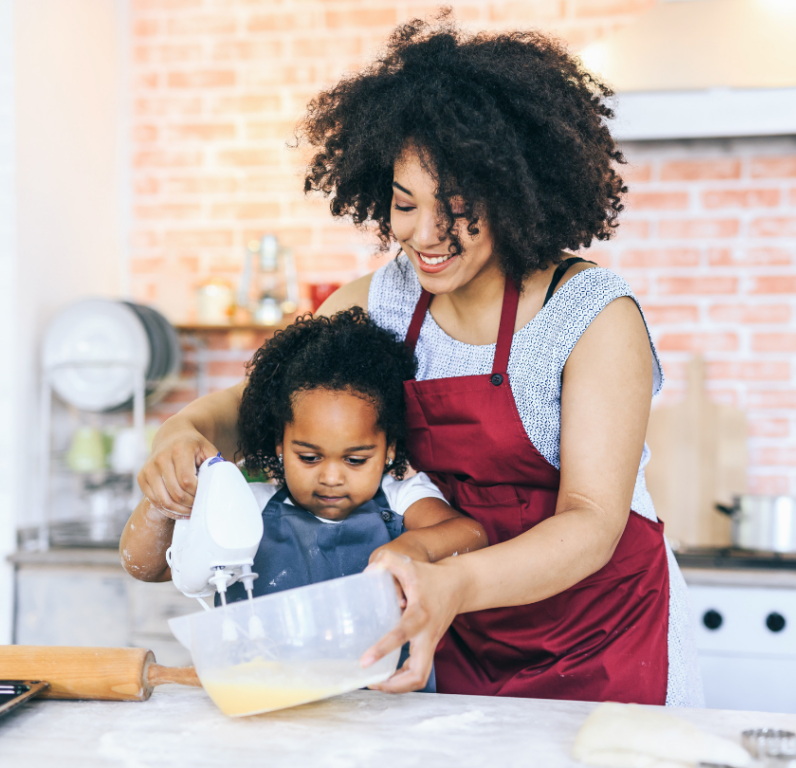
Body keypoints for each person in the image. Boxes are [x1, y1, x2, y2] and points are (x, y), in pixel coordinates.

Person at [137, 17, 704, 706]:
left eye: (457, 211)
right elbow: (251, 403)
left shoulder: (590, 317)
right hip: (448, 624)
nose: (425, 236)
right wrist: (179, 434)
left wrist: (454, 582)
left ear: (517, 194)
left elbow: (589, 522)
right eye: (406, 205)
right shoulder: (381, 302)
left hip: (601, 634)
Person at [121, 310, 489, 691]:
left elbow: (470, 534)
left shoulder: (401, 498)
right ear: (280, 445)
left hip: (387, 714)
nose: (331, 477)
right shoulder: (247, 508)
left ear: (388, 448)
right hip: (267, 713)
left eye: (355, 460)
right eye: (309, 458)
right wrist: (167, 496)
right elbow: (145, 566)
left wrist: (414, 546)